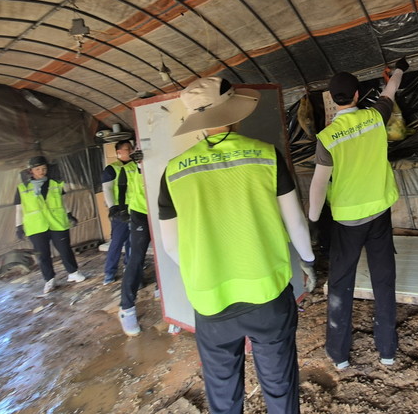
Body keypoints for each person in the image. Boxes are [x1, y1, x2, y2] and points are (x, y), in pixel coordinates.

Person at [158, 76, 316, 414]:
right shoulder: (266, 156)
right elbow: (295, 223)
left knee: (223, 394)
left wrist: (206, 272)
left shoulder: (172, 172)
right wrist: (308, 260)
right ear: (233, 113)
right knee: (280, 384)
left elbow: (171, 246)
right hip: (267, 296)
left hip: (211, 303)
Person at [308, 58, 408, 370]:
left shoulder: (327, 138)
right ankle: (387, 351)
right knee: (384, 278)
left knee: (340, 284)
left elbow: (318, 185)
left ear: (331, 98)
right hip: (379, 211)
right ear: (356, 95)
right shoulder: (375, 117)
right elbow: (391, 90)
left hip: (347, 220)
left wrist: (313, 221)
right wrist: (399, 69)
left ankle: (339, 356)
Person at [14, 155, 87, 294]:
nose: (41, 171)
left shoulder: (55, 184)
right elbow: (19, 209)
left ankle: (73, 272)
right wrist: (19, 226)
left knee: (65, 249)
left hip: (57, 222)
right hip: (36, 226)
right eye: (38, 169)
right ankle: (49, 280)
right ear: (31, 171)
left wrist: (69, 214)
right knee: (42, 255)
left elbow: (63, 202)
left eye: (44, 168)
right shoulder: (22, 188)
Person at [117, 142, 150, 336]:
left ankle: (166, 295)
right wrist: (120, 209)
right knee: (137, 257)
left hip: (161, 209)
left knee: (167, 253)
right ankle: (126, 308)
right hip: (140, 212)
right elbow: (124, 190)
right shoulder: (130, 168)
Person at [100, 140, 133, 285]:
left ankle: (129, 265)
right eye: (127, 149)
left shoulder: (135, 166)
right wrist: (113, 208)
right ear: (119, 152)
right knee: (117, 241)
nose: (131, 151)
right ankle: (110, 272)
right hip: (120, 209)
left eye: (131, 148)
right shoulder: (112, 169)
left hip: (135, 207)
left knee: (132, 240)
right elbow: (107, 189)